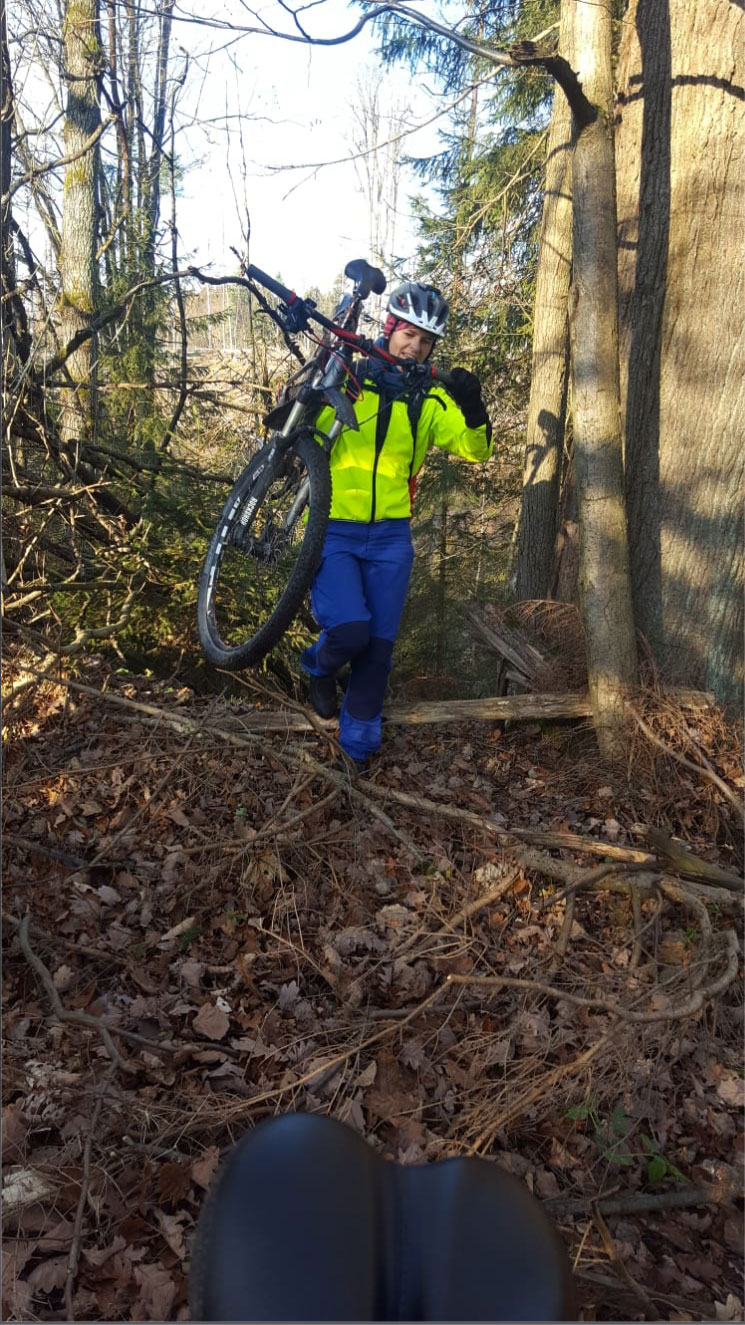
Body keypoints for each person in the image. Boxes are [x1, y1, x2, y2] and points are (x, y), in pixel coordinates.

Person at [300, 280, 493, 770]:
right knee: (348, 631)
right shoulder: (351, 377)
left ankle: (357, 754)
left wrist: (473, 406)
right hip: (336, 527)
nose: (415, 346)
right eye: (408, 334)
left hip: (391, 537)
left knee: (378, 651)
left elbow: (477, 448)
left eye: (425, 341)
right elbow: (299, 416)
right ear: (389, 330)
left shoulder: (428, 399)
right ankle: (316, 667)